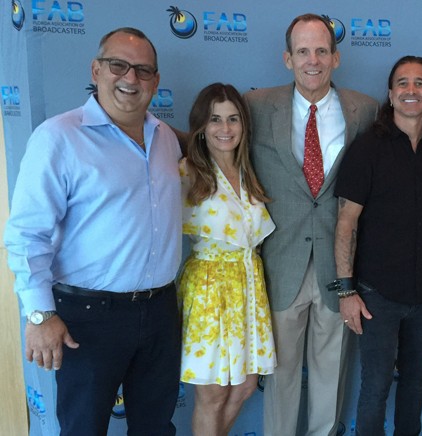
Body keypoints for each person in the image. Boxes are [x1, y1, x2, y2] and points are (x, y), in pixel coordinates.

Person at [3, 27, 182, 435]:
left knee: (156, 427)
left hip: (160, 313)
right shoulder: (59, 137)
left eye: (143, 70)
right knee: (83, 428)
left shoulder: (166, 138)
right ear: (96, 69)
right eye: (118, 65)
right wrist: (39, 313)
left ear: (155, 80)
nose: (130, 78)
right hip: (86, 318)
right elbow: (27, 234)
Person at [244, 13, 378, 436]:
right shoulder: (255, 107)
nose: (313, 60)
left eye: (322, 50)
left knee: (331, 372)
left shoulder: (366, 110)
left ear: (336, 58)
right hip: (280, 264)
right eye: (303, 51)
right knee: (279, 375)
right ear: (288, 58)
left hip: (338, 269)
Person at [333, 55, 422, 436]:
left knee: (415, 384)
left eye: (420, 83)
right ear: (390, 93)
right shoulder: (368, 148)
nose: (411, 90)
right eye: (403, 82)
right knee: (375, 387)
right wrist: (346, 289)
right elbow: (345, 223)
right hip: (377, 296)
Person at [178, 83, 276, 435]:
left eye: (233, 119)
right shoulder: (187, 172)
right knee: (213, 393)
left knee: (247, 386)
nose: (225, 128)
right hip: (209, 291)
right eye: (215, 119)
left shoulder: (249, 171)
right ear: (201, 126)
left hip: (250, 288)